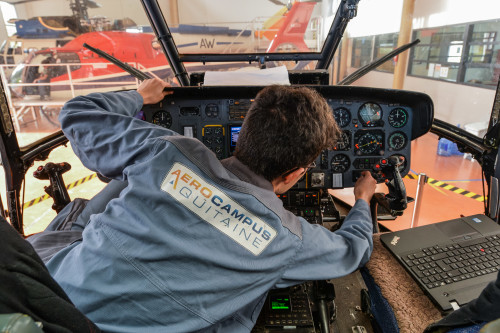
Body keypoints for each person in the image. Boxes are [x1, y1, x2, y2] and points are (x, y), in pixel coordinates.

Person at [30, 78, 376, 332]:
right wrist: (361, 201)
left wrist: (138, 96)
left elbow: (77, 114)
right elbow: (353, 249)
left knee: (119, 184)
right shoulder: (286, 239)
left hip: (47, 294)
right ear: (295, 174)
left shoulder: (167, 149)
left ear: (247, 133)